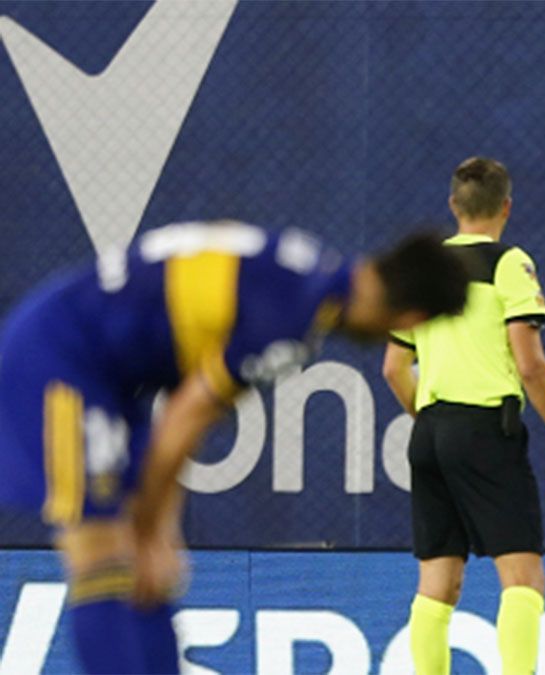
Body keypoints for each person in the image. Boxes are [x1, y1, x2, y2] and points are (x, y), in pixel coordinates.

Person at [0, 220, 468, 673]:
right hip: (62, 360)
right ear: (413, 318)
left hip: (113, 380)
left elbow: (183, 416)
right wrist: (146, 528)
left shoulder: (307, 265)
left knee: (154, 573)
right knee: (100, 552)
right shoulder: (293, 317)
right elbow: (187, 416)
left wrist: (160, 527)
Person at [382, 157, 545, 675]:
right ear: (507, 207)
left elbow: (392, 367)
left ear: (454, 206)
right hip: (485, 432)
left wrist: (432, 421)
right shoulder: (509, 263)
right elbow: (530, 363)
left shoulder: (423, 270)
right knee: (523, 579)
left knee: (438, 585)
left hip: (429, 433)